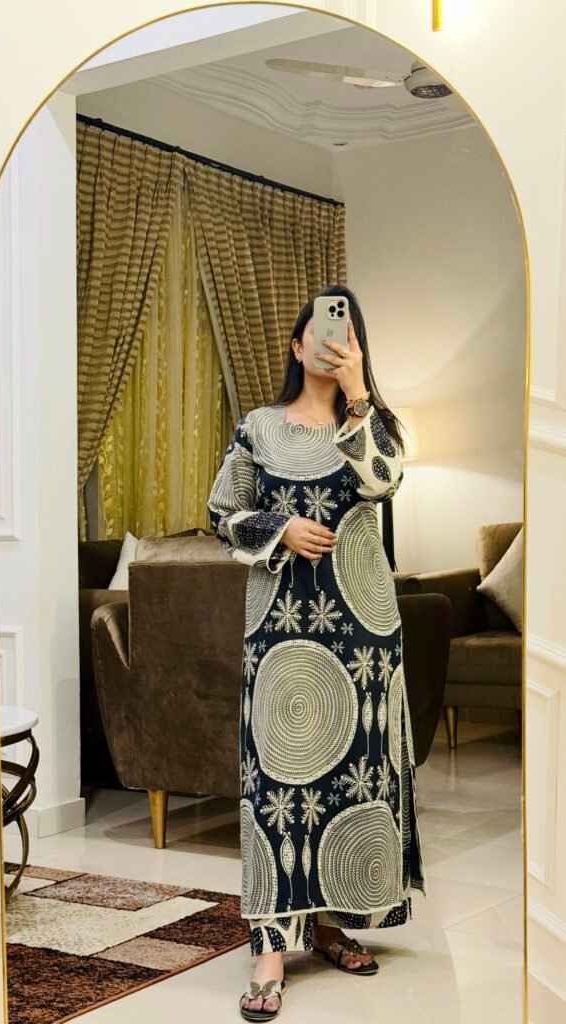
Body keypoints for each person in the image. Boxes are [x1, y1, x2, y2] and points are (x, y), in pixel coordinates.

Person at [207, 284, 426, 1021]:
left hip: (362, 629)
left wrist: (360, 395)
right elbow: (221, 512)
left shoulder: (374, 425)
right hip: (280, 631)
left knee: (351, 778)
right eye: (322, 332)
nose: (333, 342)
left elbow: (383, 480)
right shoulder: (259, 428)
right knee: (276, 779)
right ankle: (270, 951)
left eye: (348, 334)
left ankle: (331, 926)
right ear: (297, 345)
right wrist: (281, 528)